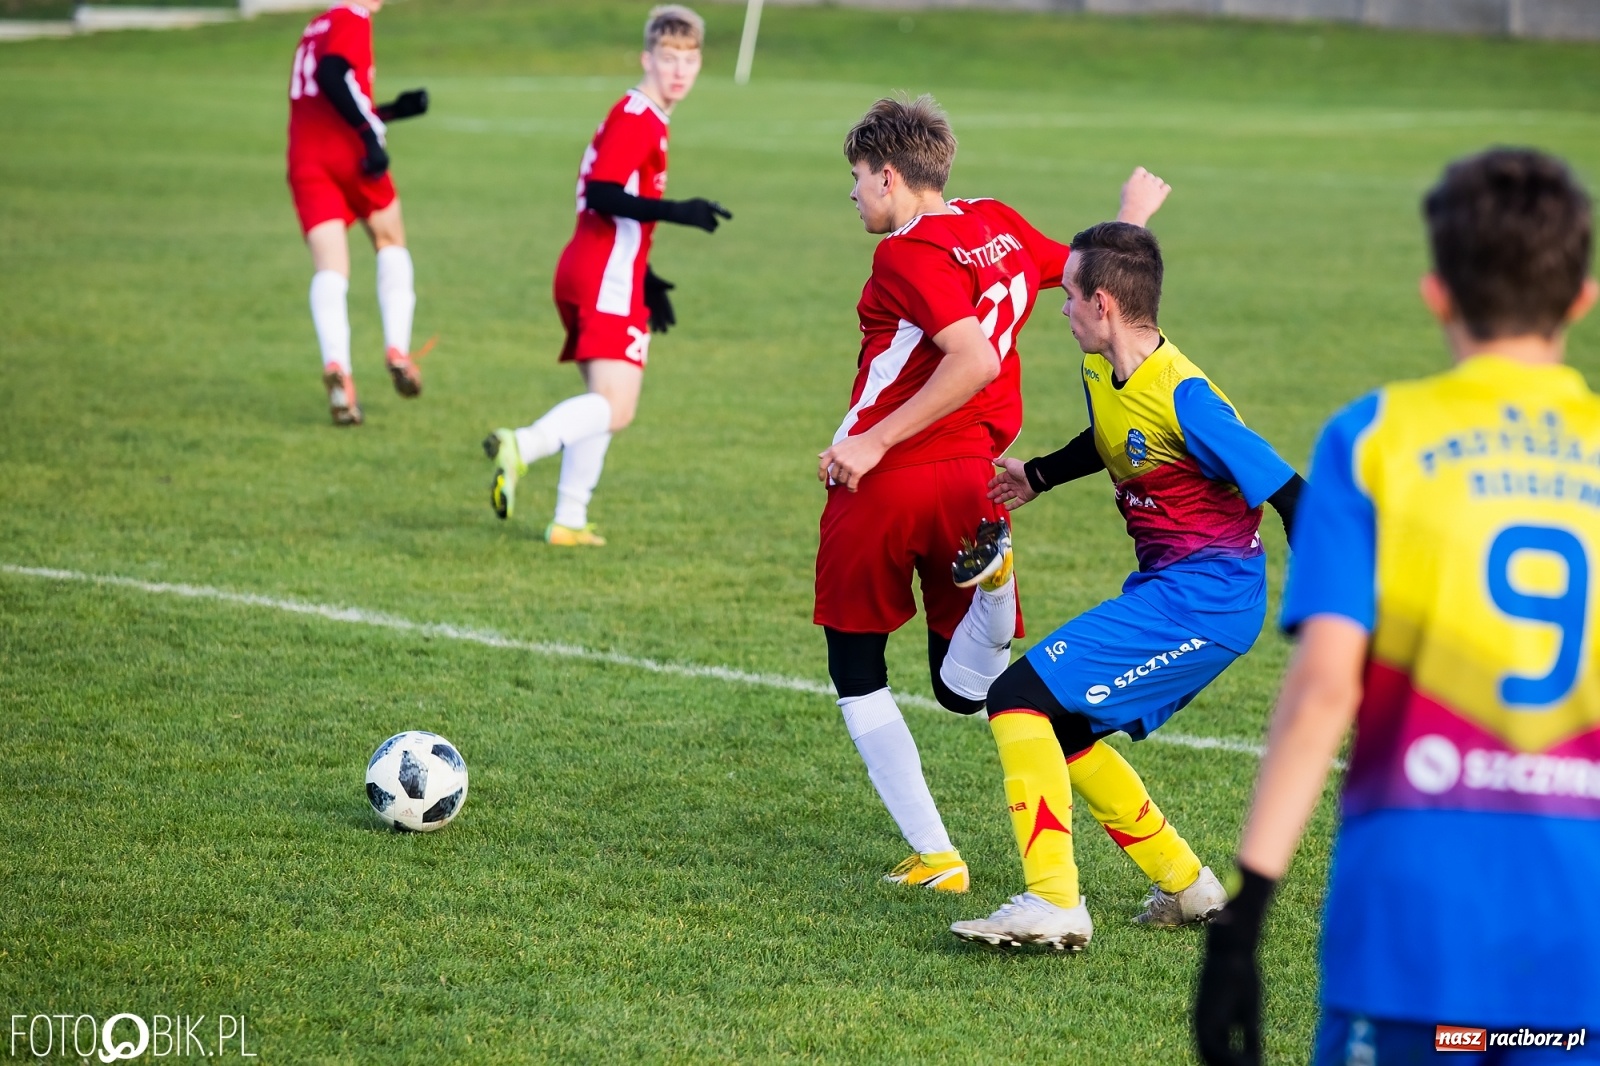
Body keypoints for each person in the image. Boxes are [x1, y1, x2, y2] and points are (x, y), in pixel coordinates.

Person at [1195, 149, 1600, 1065]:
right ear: (1581, 298)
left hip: (1414, 931)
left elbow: (1325, 688)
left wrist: (1246, 914)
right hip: (1580, 941)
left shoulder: (1374, 438)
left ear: (1437, 294)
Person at [815, 94, 1171, 893]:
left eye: (857, 177)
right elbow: (1089, 273)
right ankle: (993, 593)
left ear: (891, 176)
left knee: (856, 664)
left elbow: (971, 358)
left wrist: (870, 440)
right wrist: (1129, 216)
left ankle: (938, 854)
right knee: (961, 686)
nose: (852, 193)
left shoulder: (904, 254)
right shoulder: (998, 223)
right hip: (976, 482)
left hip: (887, 478)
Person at [948, 222, 1303, 949]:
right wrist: (1039, 475)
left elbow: (1294, 495)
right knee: (1068, 730)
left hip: (1206, 602)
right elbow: (1112, 438)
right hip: (1166, 589)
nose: (1061, 307)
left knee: (1016, 699)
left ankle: (1054, 901)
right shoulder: (1101, 368)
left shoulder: (1188, 398)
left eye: (1069, 294)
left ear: (1102, 304)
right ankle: (1187, 886)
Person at [483, 5, 731, 547]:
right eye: (669, 57)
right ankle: (521, 445)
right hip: (601, 276)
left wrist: (649, 278)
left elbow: (618, 207)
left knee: (604, 405)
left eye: (689, 59)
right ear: (647, 58)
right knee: (617, 407)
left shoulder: (648, 117)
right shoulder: (637, 115)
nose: (679, 70)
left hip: (605, 271)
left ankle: (569, 519)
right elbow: (603, 193)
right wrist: (680, 211)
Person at [287, 0, 430, 426]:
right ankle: (397, 351)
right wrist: (370, 134)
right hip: (349, 154)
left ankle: (339, 372)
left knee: (330, 267)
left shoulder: (315, 26)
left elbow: (328, 99)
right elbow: (333, 75)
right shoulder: (353, 16)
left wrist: (390, 111)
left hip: (306, 159)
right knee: (389, 239)